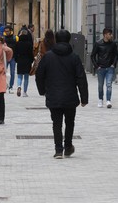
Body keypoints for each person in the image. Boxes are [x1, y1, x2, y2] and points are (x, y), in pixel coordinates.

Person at [34, 29, 89, 159]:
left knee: (56, 123)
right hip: (70, 96)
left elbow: (39, 75)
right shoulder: (74, 57)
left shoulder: (48, 56)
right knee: (70, 122)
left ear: (57, 40)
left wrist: (42, 90)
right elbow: (81, 78)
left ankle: (58, 150)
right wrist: (84, 98)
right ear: (68, 40)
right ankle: (68, 146)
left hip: (53, 95)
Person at [90, 27, 118, 108]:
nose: (111, 35)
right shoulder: (98, 43)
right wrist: (97, 66)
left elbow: (116, 55)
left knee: (109, 84)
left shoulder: (113, 44)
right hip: (101, 68)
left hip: (110, 68)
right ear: (105, 35)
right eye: (110, 34)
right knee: (100, 85)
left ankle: (108, 100)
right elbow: (92, 56)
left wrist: (113, 64)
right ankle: (100, 99)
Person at [13, 28, 35, 97]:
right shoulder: (29, 44)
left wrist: (16, 60)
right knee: (26, 77)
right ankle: (25, 92)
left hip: (20, 60)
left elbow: (15, 53)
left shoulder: (18, 43)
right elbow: (31, 54)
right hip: (27, 61)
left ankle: (19, 86)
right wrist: (31, 60)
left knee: (19, 76)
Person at [3, 26, 17, 92]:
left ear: (10, 31)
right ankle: (4, 85)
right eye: (5, 31)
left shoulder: (15, 38)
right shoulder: (3, 38)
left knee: (12, 72)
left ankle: (11, 86)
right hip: (5, 57)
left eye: (8, 31)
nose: (7, 32)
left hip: (13, 57)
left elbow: (17, 47)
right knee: (3, 72)